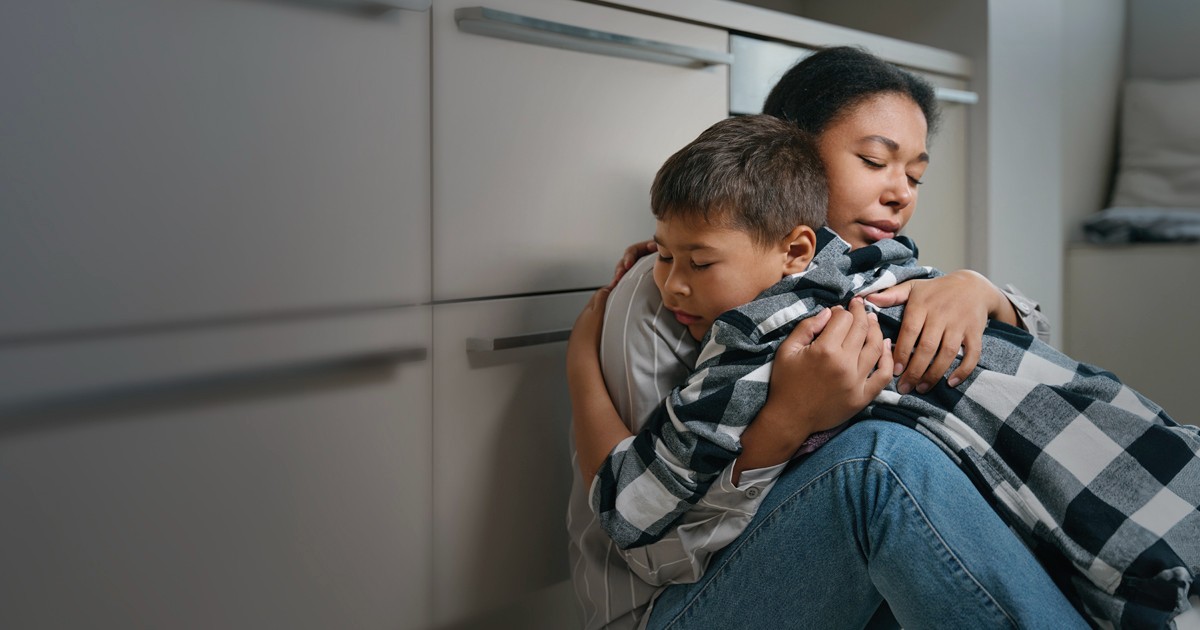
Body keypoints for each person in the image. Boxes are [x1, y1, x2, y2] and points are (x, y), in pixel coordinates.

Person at [580, 111, 1200, 627]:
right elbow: (645, 536)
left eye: (916, 173)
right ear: (805, 166)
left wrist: (982, 292)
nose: (900, 190)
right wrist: (786, 419)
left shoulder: (875, 276)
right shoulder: (706, 309)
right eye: (874, 161)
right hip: (681, 599)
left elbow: (1010, 383)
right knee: (884, 459)